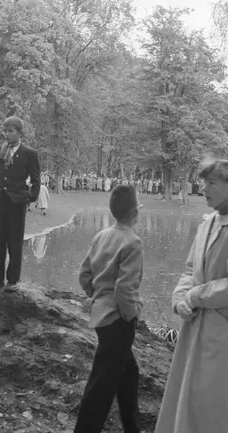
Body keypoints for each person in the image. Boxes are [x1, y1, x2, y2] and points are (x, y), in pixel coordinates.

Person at [154, 159, 228, 433]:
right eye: (204, 182)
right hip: (199, 328)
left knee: (219, 406)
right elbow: (191, 269)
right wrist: (180, 298)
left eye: (211, 182)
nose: (203, 188)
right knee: (192, 398)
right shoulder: (209, 224)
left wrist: (195, 296)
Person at [74, 185, 143, 433]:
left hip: (101, 316)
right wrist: (132, 315)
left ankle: (133, 427)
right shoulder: (133, 242)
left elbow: (84, 275)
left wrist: (97, 297)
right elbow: (125, 289)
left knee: (128, 372)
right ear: (134, 213)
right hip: (118, 320)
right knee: (102, 384)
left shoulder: (101, 236)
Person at [0, 117, 40, 292]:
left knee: (15, 240)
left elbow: (36, 179)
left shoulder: (29, 153)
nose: (6, 134)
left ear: (19, 133)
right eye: (5, 131)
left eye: (10, 131)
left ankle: (13, 280)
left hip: (17, 202)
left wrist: (30, 197)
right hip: (0, 200)